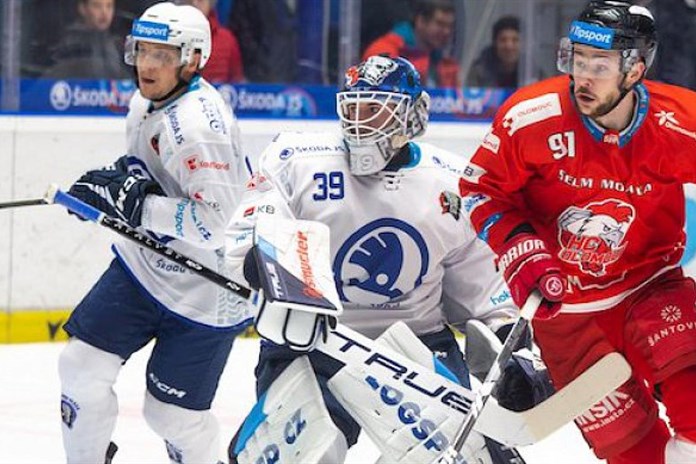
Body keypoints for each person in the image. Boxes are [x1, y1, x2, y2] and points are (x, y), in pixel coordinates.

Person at [224, 55, 529, 463]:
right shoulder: (297, 159)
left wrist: (506, 340)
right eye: (352, 109)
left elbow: (478, 291)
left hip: (415, 345)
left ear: (413, 114)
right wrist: (265, 271)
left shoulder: (452, 183)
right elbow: (254, 233)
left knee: (460, 457)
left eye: (374, 110)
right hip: (313, 340)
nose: (359, 123)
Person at [459, 1, 696, 463]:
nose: (582, 77)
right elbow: (478, 191)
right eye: (577, 59)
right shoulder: (531, 117)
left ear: (635, 69)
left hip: (651, 290)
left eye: (599, 65)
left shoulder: (680, 122)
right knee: (636, 456)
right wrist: (522, 251)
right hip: (564, 315)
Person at [58, 3, 250, 463]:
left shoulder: (200, 127)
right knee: (80, 367)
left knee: (171, 418)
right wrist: (110, 190)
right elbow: (146, 176)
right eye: (142, 50)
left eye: (162, 55)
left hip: (206, 290)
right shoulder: (145, 102)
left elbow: (217, 223)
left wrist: (138, 205)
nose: (146, 64)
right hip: (145, 269)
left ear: (193, 59)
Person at [362, 0, 460, 88]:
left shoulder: (445, 64)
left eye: (450, 26)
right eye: (440, 24)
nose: (447, 32)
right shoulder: (384, 53)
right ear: (420, 21)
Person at [43, 0, 130, 79]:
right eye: (97, 6)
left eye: (109, 6)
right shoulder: (70, 45)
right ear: (83, 9)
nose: (104, 12)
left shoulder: (117, 45)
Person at [466, 15, 542, 89]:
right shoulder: (478, 73)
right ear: (495, 43)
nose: (509, 46)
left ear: (523, 43)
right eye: (503, 40)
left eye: (515, 40)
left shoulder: (534, 74)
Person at [181, 0, 245, 83]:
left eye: (200, 0)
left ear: (210, 3)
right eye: (189, 1)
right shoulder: (172, 37)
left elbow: (238, 83)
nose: (195, 4)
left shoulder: (226, 39)